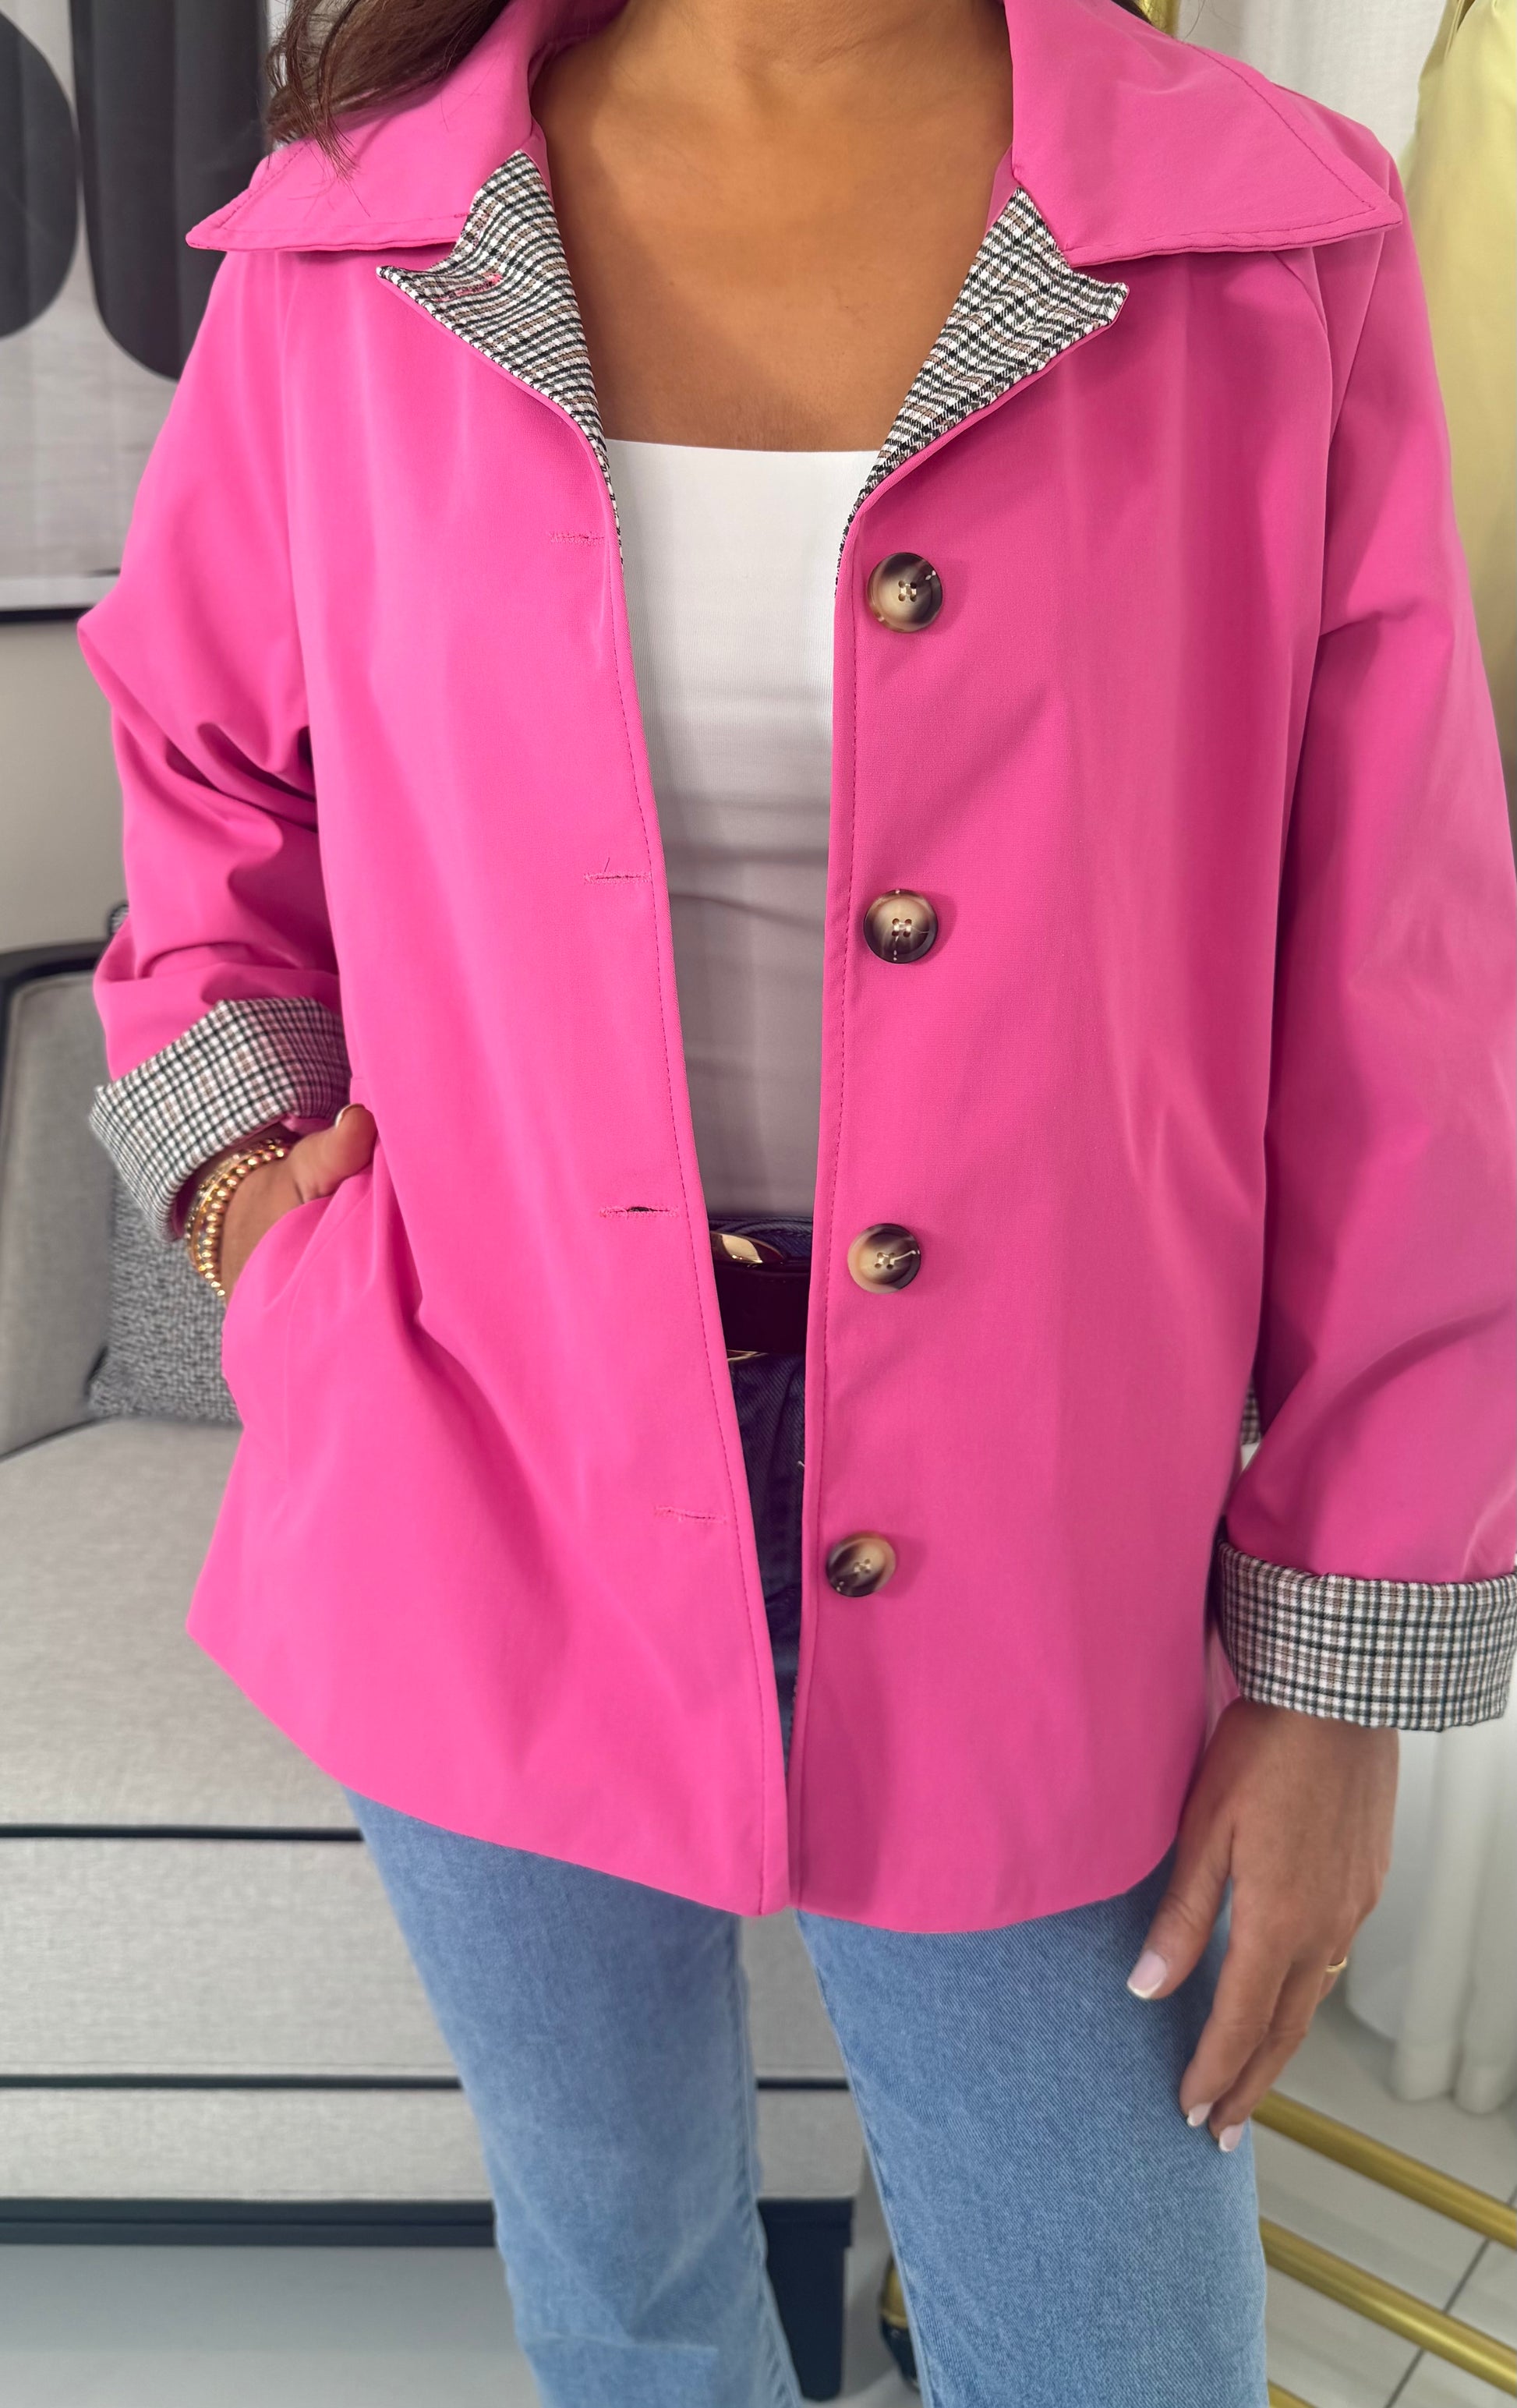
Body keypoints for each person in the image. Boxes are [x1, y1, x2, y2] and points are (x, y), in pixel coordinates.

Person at [78, 0, 1516, 2399]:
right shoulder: (357, 234)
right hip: (473, 1460)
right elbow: (206, 795)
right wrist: (255, 1216)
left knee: (1113, 2352)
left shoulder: (1256, 234)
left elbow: (1401, 987)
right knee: (628, 2298)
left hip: (1048, 1516)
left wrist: (1334, 1669)